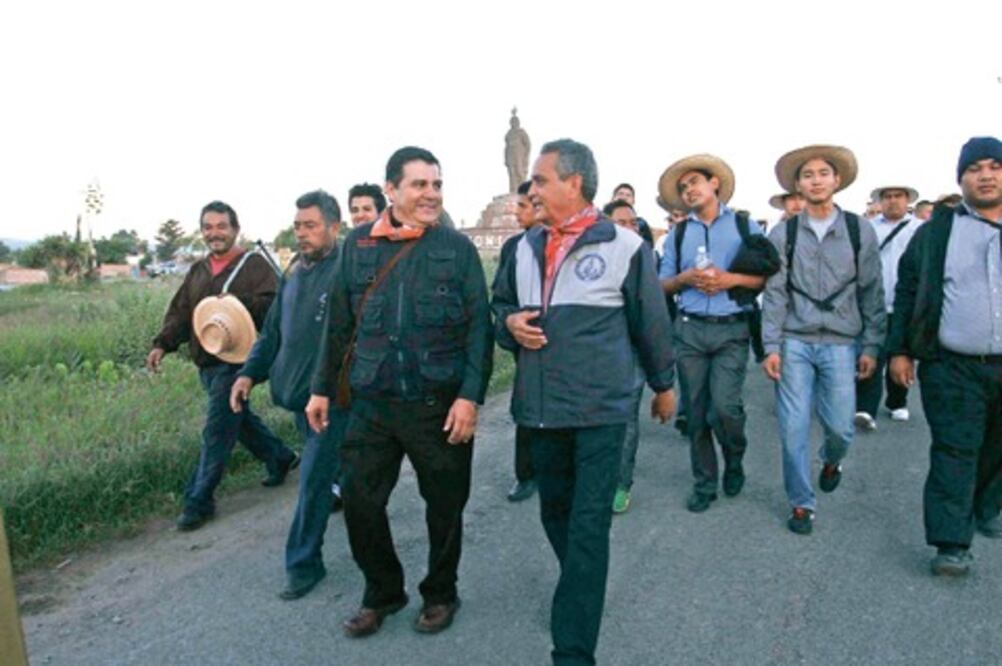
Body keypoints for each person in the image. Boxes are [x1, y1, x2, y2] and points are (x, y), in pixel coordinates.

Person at [492, 138, 676, 666]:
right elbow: (498, 307)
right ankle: (582, 584)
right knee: (556, 513)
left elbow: (651, 324)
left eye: (542, 180)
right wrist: (508, 322)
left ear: (575, 183)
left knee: (589, 523)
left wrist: (664, 386)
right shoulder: (520, 248)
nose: (532, 189)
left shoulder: (623, 246)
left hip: (600, 411)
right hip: (541, 410)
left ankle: (572, 649)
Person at [306, 146, 493, 636]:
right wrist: (321, 389)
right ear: (391, 189)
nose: (431, 194)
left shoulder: (457, 249)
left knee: (445, 506)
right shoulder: (358, 245)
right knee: (361, 503)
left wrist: (470, 396)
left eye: (436, 185)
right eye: (419, 185)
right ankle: (383, 593)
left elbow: (479, 330)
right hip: (372, 403)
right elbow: (339, 325)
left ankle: (441, 592)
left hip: (439, 404)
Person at [887, 136, 1002, 576]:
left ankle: (985, 504)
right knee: (956, 450)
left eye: (994, 166)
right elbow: (910, 289)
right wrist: (899, 350)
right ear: (961, 178)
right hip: (952, 365)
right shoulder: (937, 232)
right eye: (975, 169)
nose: (986, 175)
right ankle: (951, 543)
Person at [147, 200, 298, 531]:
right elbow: (182, 312)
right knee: (237, 420)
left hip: (240, 363)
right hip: (207, 362)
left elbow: (275, 309)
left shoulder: (254, 265)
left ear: (235, 229)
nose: (214, 233)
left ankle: (198, 500)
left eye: (221, 226)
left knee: (216, 430)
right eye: (208, 227)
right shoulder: (199, 270)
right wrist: (162, 344)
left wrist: (235, 306)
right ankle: (278, 456)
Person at [762, 145, 885, 535]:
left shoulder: (856, 228)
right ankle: (801, 503)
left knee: (841, 429)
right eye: (807, 175)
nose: (815, 180)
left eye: (822, 173)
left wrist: (871, 345)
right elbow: (775, 291)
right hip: (795, 340)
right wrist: (770, 346)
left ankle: (832, 461)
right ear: (798, 185)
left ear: (836, 180)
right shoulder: (784, 231)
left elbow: (871, 290)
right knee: (792, 428)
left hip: (840, 342)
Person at [229, 190, 346, 600]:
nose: (302, 234)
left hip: (333, 400)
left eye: (311, 226)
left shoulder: (348, 271)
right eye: (298, 226)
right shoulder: (296, 271)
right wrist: (248, 375)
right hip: (297, 396)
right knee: (336, 472)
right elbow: (274, 332)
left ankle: (303, 564)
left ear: (334, 226)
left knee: (313, 479)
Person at [658, 154, 766, 512]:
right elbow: (662, 285)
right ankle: (704, 483)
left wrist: (729, 279)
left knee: (726, 408)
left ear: (714, 183)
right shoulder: (679, 233)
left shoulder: (744, 225)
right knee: (698, 412)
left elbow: (766, 276)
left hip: (732, 328)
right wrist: (686, 278)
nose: (689, 190)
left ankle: (734, 458)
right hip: (689, 331)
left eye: (695, 182)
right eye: (683, 187)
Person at [854, 184, 921, 430]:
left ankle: (897, 401)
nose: (893, 201)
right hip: (874, 303)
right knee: (872, 352)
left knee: (901, 352)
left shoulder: (919, 229)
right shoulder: (869, 228)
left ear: (907, 200)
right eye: (888, 197)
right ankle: (865, 407)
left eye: (898, 196)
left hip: (906, 303)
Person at [602, 199, 649, 514]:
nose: (630, 228)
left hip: (632, 350)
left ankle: (621, 484)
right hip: (598, 352)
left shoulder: (642, 256)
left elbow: (651, 315)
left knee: (627, 418)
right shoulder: (591, 258)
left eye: (633, 222)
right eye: (621, 222)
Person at [497, 180, 542, 502]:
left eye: (523, 206)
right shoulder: (513, 248)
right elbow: (500, 299)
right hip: (527, 344)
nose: (516, 213)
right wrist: (512, 322)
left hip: (567, 345)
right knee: (527, 409)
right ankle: (526, 475)